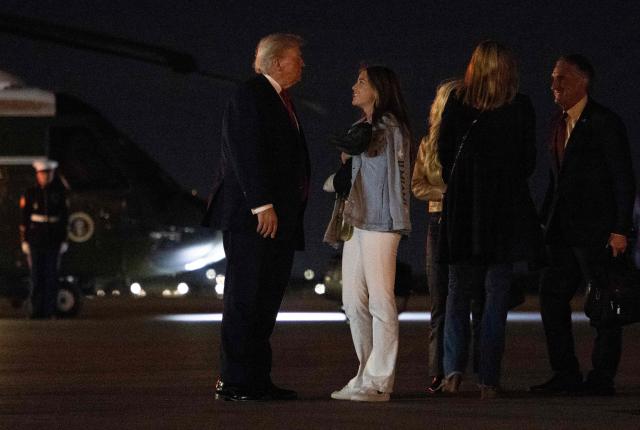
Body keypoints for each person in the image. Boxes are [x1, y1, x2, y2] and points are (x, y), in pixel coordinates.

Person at [202, 33, 310, 401]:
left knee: (265, 301)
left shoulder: (280, 100)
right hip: (255, 219)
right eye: (297, 58)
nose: (302, 64)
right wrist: (261, 204)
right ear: (278, 61)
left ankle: (256, 379)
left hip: (278, 221)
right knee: (244, 299)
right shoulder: (250, 94)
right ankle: (234, 381)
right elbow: (244, 151)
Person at [438, 40, 541, 399]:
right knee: (496, 296)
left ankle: (452, 371)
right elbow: (528, 161)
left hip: (464, 211)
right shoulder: (520, 106)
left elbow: (444, 155)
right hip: (504, 213)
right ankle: (488, 378)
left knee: (457, 293)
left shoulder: (458, 103)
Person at [530, 55, 635, 396]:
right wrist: (543, 223)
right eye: (552, 77)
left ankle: (602, 378)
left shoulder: (604, 122)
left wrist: (621, 229)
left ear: (583, 82)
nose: (554, 85)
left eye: (562, 78)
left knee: (605, 304)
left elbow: (623, 177)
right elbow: (555, 180)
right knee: (551, 298)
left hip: (596, 232)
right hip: (561, 231)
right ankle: (566, 373)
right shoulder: (557, 123)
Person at [330, 65, 412, 402]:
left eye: (361, 81)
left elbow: (393, 174)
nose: (354, 86)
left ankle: (381, 380)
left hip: (382, 221)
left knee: (381, 300)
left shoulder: (389, 129)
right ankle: (364, 372)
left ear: (378, 89)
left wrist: (351, 149)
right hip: (357, 220)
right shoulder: (360, 128)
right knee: (352, 301)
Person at [411, 79, 486, 394]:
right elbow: (418, 185)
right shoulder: (429, 143)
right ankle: (437, 370)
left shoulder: (473, 137)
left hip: (468, 219)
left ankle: (477, 369)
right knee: (440, 297)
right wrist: (448, 192)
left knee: (474, 297)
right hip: (439, 218)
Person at [19, 159, 69, 319]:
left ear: (52, 175)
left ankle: (50, 310)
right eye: (42, 174)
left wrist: (64, 240)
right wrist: (24, 240)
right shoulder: (30, 193)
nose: (45, 177)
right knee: (36, 276)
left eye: (48, 174)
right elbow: (24, 219)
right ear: (37, 175)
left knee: (51, 276)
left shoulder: (59, 193)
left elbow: (65, 218)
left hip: (53, 238)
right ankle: (36, 310)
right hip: (36, 238)